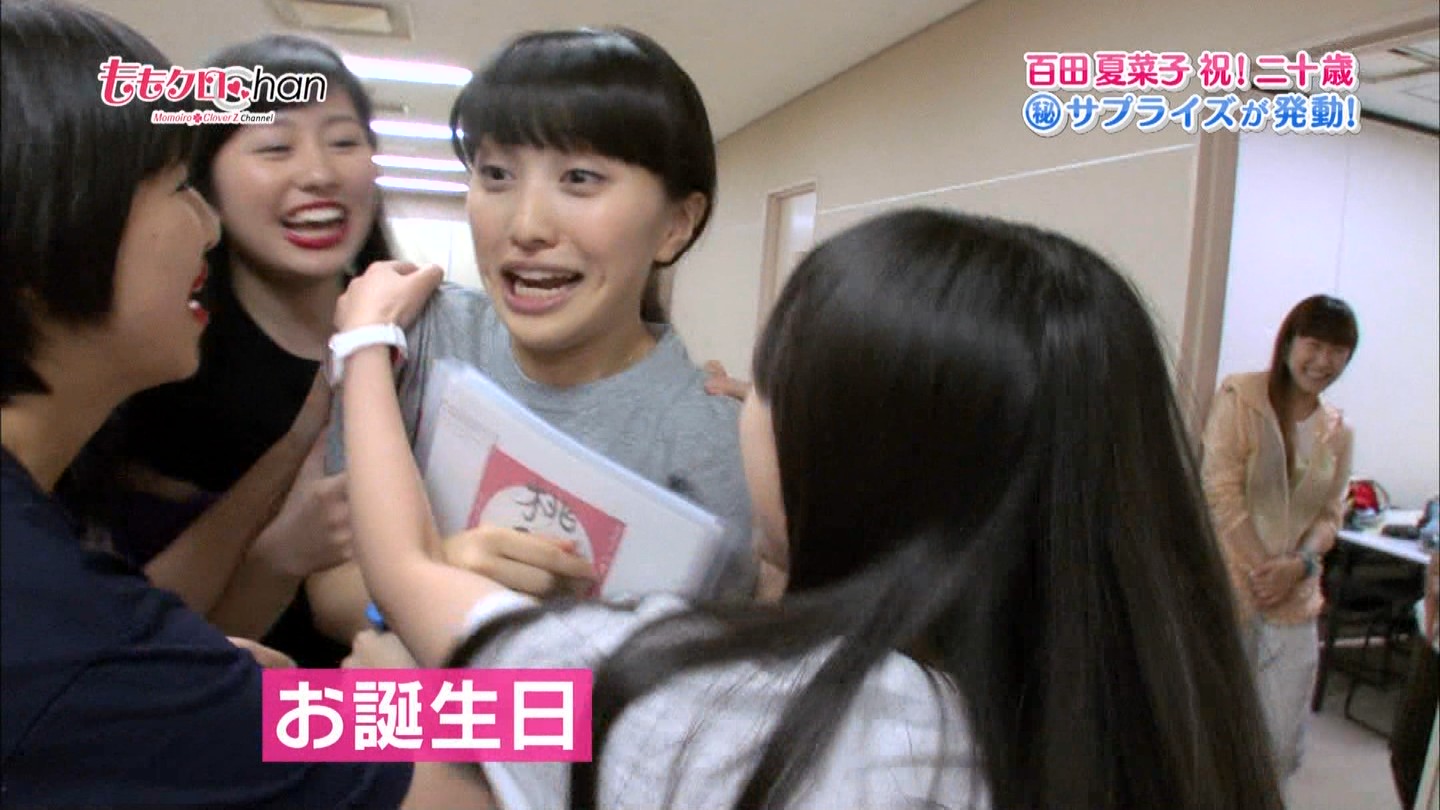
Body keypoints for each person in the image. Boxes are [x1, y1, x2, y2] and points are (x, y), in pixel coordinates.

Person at [338, 207, 1286, 809]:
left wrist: (365, 342)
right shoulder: (1161, 714)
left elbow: (396, 595)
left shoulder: (716, 707)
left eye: (770, 384)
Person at [0, 2, 413, 803]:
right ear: (51, 224)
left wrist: (189, 681)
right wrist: (404, 691)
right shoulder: (62, 630)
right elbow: (458, 776)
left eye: (344, 140)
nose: (208, 229)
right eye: (179, 186)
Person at [317, 27, 755, 639]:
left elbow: (701, 681)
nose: (525, 226)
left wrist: (428, 591)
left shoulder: (713, 442)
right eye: (497, 174)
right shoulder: (412, 339)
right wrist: (443, 570)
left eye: (580, 178)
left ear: (675, 225)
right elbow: (327, 591)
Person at [98, 34, 396, 666]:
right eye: (275, 147)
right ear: (205, 181)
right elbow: (128, 640)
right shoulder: (163, 368)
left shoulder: (420, 336)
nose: (319, 173)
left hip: (397, 698)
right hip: (238, 709)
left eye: (344, 142)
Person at [1200, 294, 1359, 779]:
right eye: (1314, 345)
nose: (1323, 361)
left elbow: (1331, 515)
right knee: (1212, 729)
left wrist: (1298, 566)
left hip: (1296, 595)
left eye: (1338, 351)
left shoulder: (1338, 430)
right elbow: (1219, 492)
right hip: (1229, 586)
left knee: (1280, 745)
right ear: (1289, 342)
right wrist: (1264, 570)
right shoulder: (1241, 398)